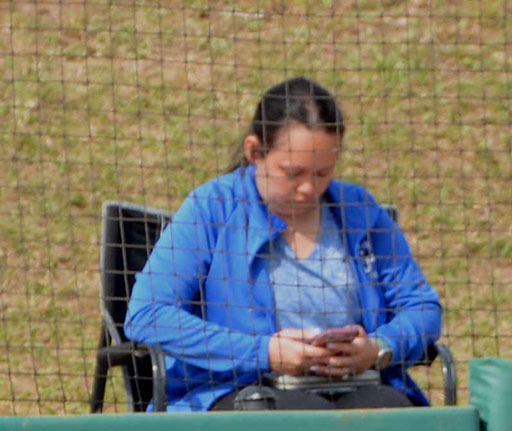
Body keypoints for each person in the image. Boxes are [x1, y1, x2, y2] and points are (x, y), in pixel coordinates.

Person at [125, 77, 441, 412]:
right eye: (294, 173)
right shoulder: (211, 207)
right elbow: (147, 315)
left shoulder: (360, 209)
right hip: (239, 389)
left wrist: (379, 349)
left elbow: (423, 307)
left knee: (392, 415)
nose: (308, 188)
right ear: (254, 152)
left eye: (323, 173)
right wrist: (265, 353)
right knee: (302, 420)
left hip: (357, 386)